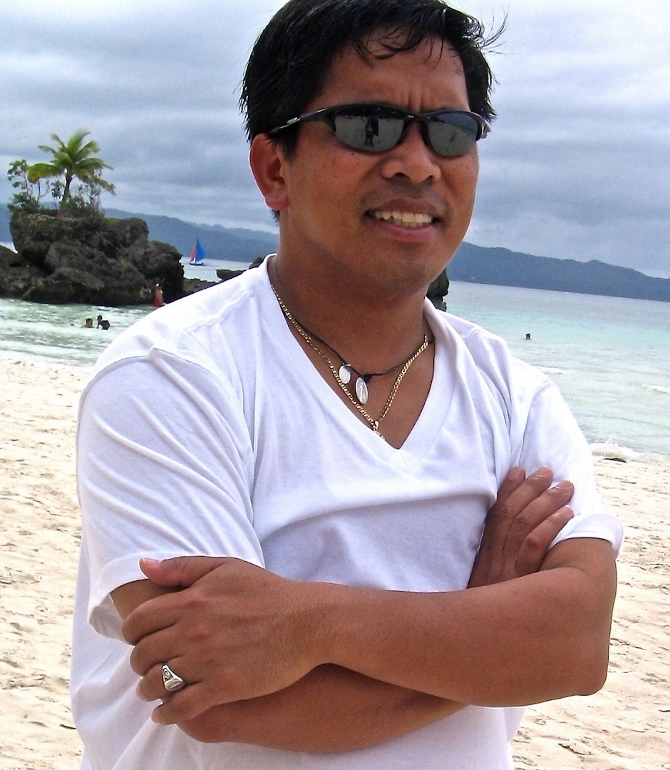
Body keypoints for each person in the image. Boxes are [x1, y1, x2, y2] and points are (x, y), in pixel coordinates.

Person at [72, 2, 623, 769]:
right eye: (371, 126)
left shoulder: (515, 396)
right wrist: (481, 627)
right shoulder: (172, 377)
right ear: (274, 168)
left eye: (451, 132)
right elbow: (224, 698)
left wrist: (306, 626)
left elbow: (575, 645)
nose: (418, 163)